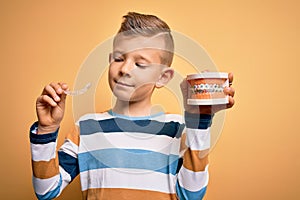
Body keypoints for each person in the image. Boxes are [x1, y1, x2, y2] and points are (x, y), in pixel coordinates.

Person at [29, 12, 235, 200]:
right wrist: (47, 130)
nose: (125, 69)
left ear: (163, 77)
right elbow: (46, 191)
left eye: (140, 64)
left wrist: (199, 121)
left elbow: (192, 195)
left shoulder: (176, 129)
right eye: (119, 58)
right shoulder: (86, 128)